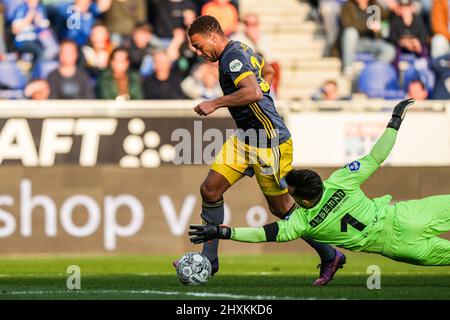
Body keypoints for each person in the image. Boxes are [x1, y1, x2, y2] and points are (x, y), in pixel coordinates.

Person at [175, 15, 345, 286]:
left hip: (269, 143)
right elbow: (268, 72)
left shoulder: (233, 58)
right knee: (210, 189)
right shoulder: (242, 48)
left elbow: (252, 92)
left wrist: (215, 103)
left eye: (198, 45)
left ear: (213, 36)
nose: (197, 52)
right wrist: (264, 84)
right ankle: (210, 259)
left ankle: (330, 255)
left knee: (283, 209)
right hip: (245, 139)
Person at [190, 99, 450, 268]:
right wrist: (394, 121)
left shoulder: (303, 222)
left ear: (302, 200)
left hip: (398, 247)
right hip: (406, 216)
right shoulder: (340, 182)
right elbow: (376, 156)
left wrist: (224, 232)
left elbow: (262, 234)